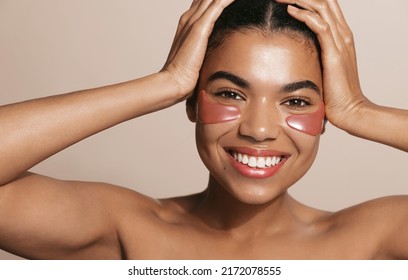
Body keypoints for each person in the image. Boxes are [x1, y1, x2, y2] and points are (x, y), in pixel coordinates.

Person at [0, 0, 407, 259]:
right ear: (192, 102)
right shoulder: (127, 230)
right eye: (231, 93)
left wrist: (359, 110)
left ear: (326, 115)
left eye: (296, 101)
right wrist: (166, 83)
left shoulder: (374, 241)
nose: (260, 130)